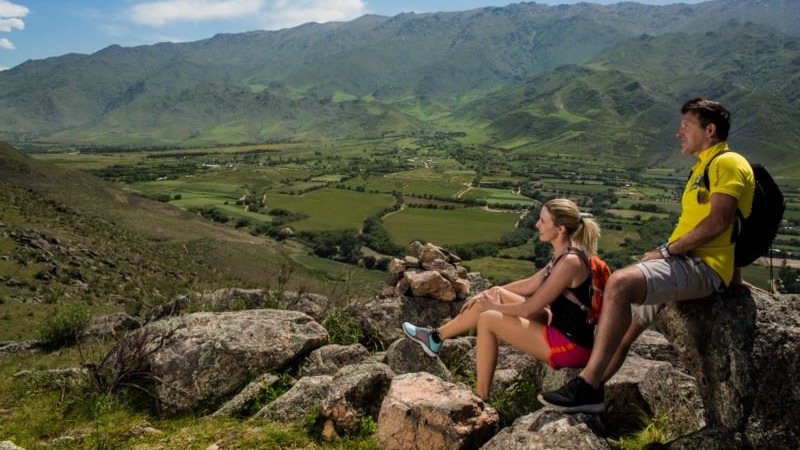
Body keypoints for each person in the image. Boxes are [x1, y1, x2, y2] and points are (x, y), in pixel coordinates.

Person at [538, 97, 756, 413]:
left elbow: (720, 222)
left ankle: (585, 388)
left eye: (686, 126)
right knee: (622, 333)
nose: (678, 133)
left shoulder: (727, 162)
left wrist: (667, 252)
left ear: (710, 130)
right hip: (686, 262)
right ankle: (592, 393)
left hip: (698, 265)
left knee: (619, 285)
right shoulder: (704, 166)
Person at [402, 198, 602, 400]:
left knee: (488, 319)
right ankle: (435, 337)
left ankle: (481, 397)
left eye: (543, 221)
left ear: (560, 230)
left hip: (570, 346)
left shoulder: (570, 262)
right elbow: (531, 284)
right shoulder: (564, 253)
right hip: (558, 327)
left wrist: (493, 306)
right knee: (494, 294)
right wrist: (489, 293)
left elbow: (529, 307)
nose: (537, 225)